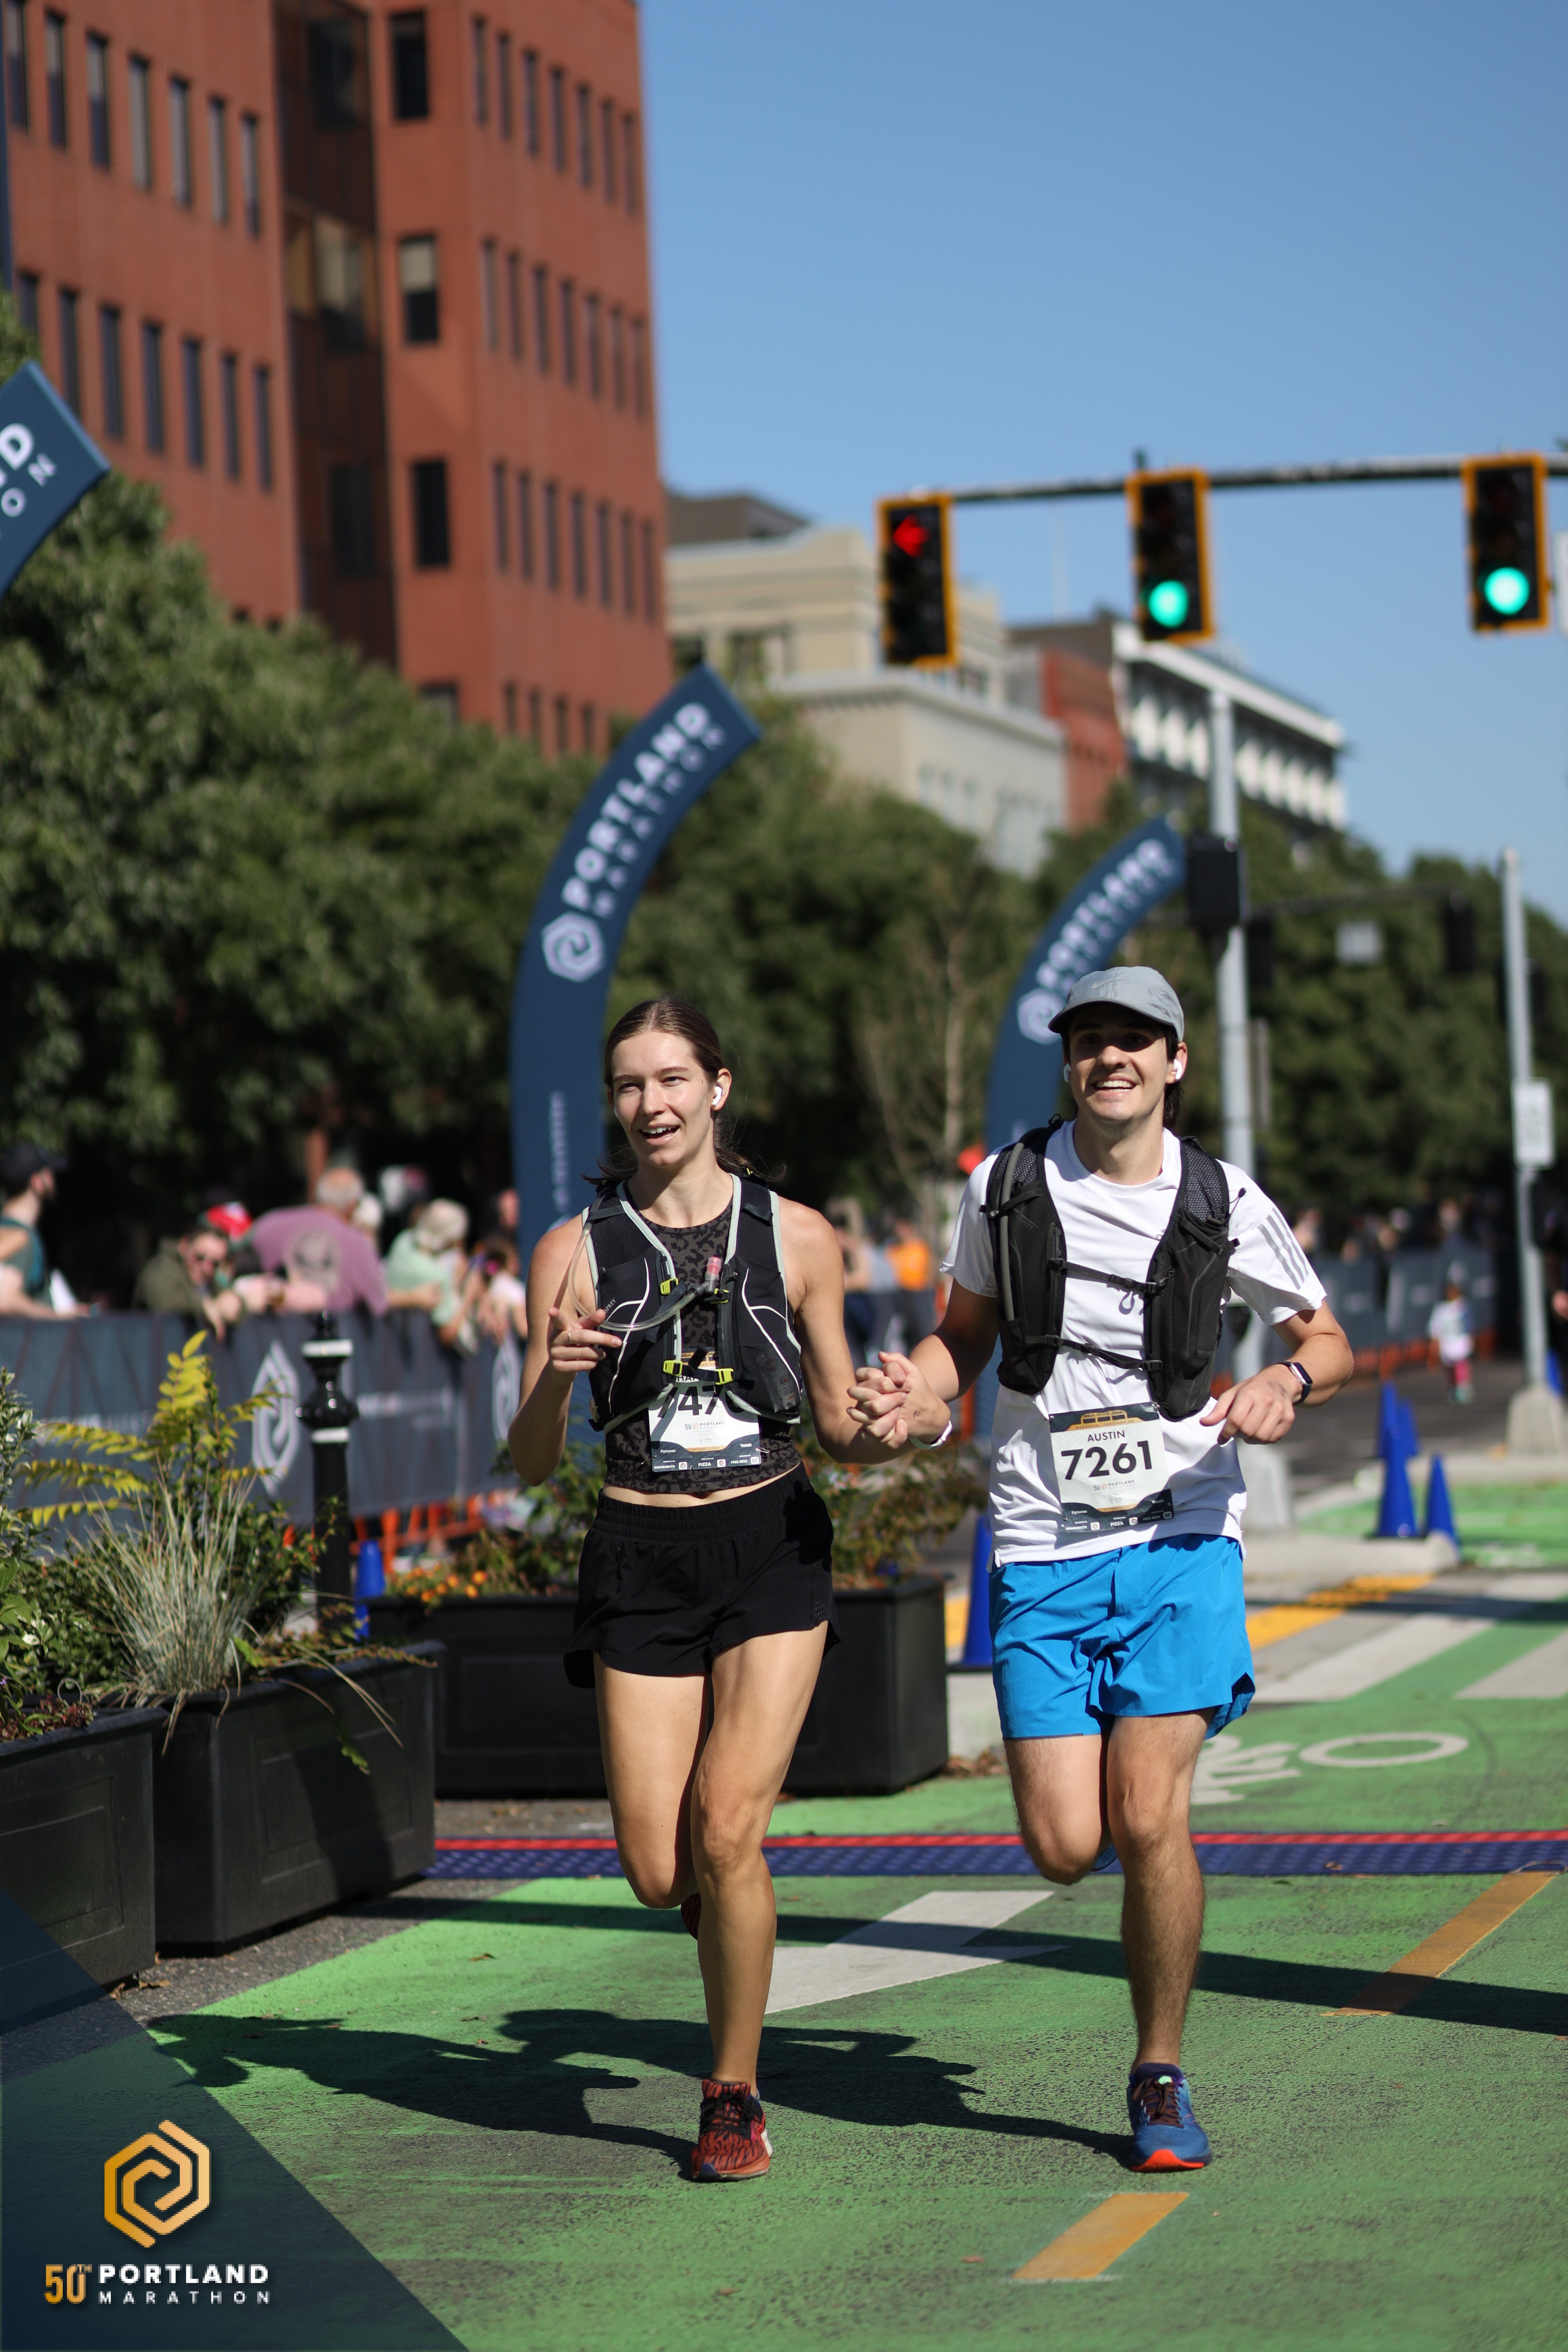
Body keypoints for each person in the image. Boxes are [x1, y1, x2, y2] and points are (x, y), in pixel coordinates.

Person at [850, 967, 1352, 2172]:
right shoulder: (1005, 1186)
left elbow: (1325, 1338)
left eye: (1134, 1039)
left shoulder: (1223, 1198)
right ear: (1068, 1062)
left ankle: (1158, 2070)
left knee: (1147, 1813)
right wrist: (917, 1393)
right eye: (1089, 1040)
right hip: (1041, 1543)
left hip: (1183, 1535)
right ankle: (1126, 1895)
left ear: (1175, 1060)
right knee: (1065, 1844)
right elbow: (961, 1338)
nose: (1110, 1057)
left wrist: (1285, 1380)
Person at [509, 996, 911, 2185]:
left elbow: (840, 1425)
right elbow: (528, 1459)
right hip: (638, 1551)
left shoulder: (800, 1236)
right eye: (631, 1085)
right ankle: (722, 1910)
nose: (653, 1104)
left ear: (718, 1088)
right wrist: (554, 1380)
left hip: (769, 1542)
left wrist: (901, 1421)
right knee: (658, 1869)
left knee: (730, 1826)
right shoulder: (572, 1251)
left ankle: (732, 2095)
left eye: (674, 1078)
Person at [250, 1169, 435, 1316]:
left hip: (267, 1344)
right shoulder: (357, 1243)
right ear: (352, 1205)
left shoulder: (268, 1225)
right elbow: (379, 1301)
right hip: (333, 1343)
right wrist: (415, 1297)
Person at [384, 1199, 481, 1351]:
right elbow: (447, 1334)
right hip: (418, 1357)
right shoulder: (437, 1276)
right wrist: (468, 1295)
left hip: (389, 1347)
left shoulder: (403, 1241)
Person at [0, 1143, 82, 1319]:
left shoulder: (6, 1231)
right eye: (49, 1173)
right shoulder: (20, 1238)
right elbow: (4, 1300)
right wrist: (57, 1318)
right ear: (37, 1182)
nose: (54, 1178)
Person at [134, 1215, 247, 1334]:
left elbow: (233, 1304)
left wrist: (235, 1303)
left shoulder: (209, 1280)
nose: (206, 1268)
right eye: (200, 1257)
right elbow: (162, 1300)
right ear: (184, 1245)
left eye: (215, 1263)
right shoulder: (163, 1267)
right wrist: (202, 1307)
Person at [1430, 1279, 1474, 1404]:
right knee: (1450, 1368)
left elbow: (1470, 1326)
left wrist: (1472, 1340)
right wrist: (1435, 1345)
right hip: (1447, 1345)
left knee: (1461, 1366)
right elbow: (1435, 1328)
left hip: (1461, 1343)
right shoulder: (1441, 1309)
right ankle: (1453, 1388)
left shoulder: (1464, 1306)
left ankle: (1464, 1388)